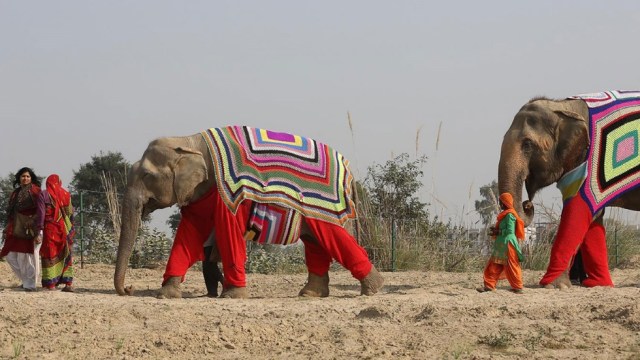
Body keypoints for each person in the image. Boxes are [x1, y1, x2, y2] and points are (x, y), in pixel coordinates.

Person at [0, 167, 43, 291]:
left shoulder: (36, 191)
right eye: (23, 176)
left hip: (29, 227)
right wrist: (8, 226)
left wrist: (32, 220)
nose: (25, 178)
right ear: (19, 178)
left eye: (28, 176)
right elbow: (12, 212)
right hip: (15, 225)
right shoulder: (15, 192)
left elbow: (41, 210)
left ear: (31, 178)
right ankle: (26, 281)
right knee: (9, 254)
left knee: (26, 256)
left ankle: (30, 284)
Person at [477, 193, 525, 293]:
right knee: (494, 265)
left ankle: (518, 287)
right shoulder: (504, 215)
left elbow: (510, 231)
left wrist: (498, 232)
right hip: (501, 245)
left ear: (505, 203)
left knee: (512, 265)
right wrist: (496, 231)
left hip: (508, 244)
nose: (500, 204)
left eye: (501, 202)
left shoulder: (510, 215)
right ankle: (489, 286)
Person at [37, 174, 75, 292]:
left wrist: (38, 229)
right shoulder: (66, 194)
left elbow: (41, 214)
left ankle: (51, 284)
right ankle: (68, 283)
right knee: (66, 253)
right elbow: (70, 213)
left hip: (50, 228)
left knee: (50, 254)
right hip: (64, 228)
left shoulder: (43, 194)